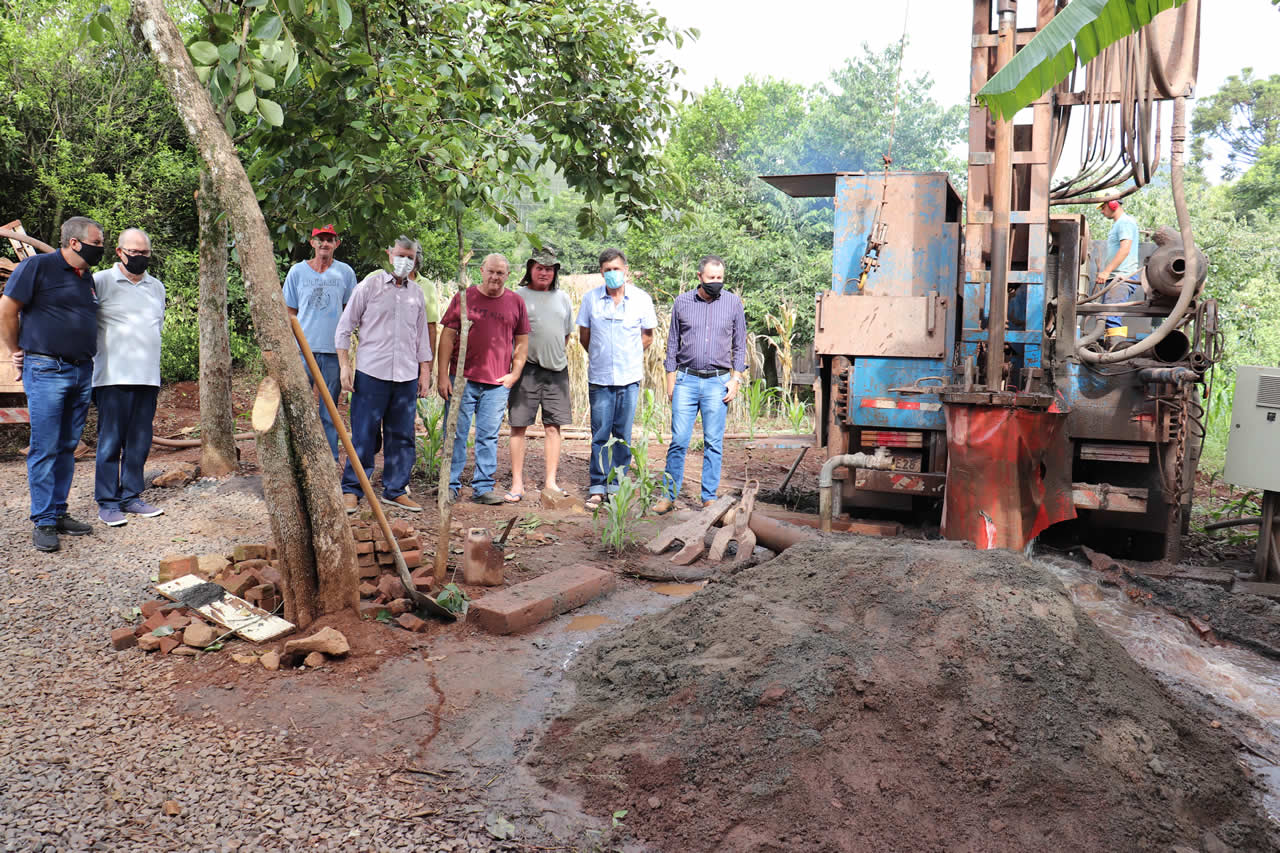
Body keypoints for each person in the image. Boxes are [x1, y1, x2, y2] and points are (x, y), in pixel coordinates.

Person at [0, 216, 104, 551]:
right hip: (46, 370)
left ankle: (59, 512)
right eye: (97, 243)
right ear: (74, 242)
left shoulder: (85, 277)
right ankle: (43, 520)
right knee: (45, 447)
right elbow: (7, 310)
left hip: (81, 371)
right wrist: (16, 351)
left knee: (67, 446)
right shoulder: (37, 267)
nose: (100, 248)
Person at [335, 237, 433, 513]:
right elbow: (344, 328)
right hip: (371, 373)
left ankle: (395, 489)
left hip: (405, 376)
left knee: (402, 436)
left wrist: (425, 372)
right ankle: (353, 489)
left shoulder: (417, 293)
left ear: (415, 260)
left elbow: (421, 337)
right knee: (364, 434)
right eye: (401, 255)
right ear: (389, 254)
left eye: (410, 257)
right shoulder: (370, 286)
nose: (405, 261)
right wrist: (345, 365)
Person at [653, 255, 747, 514]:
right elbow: (672, 345)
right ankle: (668, 496)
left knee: (713, 442)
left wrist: (735, 379)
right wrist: (671, 381)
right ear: (700, 277)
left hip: (718, 381)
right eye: (711, 278)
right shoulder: (682, 302)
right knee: (680, 440)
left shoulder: (732, 303)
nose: (716, 282)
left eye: (720, 278)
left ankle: (709, 497)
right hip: (686, 380)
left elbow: (740, 345)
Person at [437, 253, 529, 505]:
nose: (495, 277)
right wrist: (443, 375)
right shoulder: (464, 299)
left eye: (500, 273)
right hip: (462, 379)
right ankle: (450, 485)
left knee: (488, 435)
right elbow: (447, 336)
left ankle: (483, 486)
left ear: (507, 276)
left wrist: (514, 374)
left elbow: (521, 341)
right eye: (491, 271)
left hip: (497, 383)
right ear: (481, 270)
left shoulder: (515, 302)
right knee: (455, 432)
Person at [92, 228, 167, 527]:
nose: (139, 257)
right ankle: (108, 502)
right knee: (110, 441)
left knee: (139, 441)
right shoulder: (100, 282)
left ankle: (131, 495)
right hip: (112, 376)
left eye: (144, 253)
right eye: (133, 252)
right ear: (120, 252)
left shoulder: (156, 287)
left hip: (147, 377)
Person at [575, 248, 657, 507]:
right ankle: (597, 486)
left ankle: (617, 485)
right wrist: (601, 355)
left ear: (626, 270)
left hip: (629, 377)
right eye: (607, 270)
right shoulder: (590, 299)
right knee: (600, 433)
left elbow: (647, 336)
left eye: (616, 269)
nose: (612, 274)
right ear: (601, 272)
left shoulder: (642, 299)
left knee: (622, 434)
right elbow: (584, 336)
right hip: (599, 378)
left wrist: (628, 355)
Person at [283, 224, 358, 460]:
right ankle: (299, 458)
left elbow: (351, 313)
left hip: (333, 352)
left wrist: (348, 354)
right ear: (312, 242)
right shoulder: (297, 272)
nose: (324, 244)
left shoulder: (345, 273)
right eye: (320, 239)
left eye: (329, 239)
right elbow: (289, 312)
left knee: (330, 409)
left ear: (337, 243)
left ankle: (329, 459)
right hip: (302, 351)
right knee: (299, 406)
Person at [507, 247, 574, 503]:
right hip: (525, 371)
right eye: (539, 268)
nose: (544, 272)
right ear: (530, 270)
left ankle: (550, 482)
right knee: (518, 426)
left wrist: (551, 354)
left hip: (556, 370)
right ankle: (516, 484)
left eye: (549, 268)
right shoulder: (518, 296)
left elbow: (565, 334)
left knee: (553, 427)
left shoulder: (563, 298)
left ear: (555, 271)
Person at [1095, 199, 1141, 349]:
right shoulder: (1118, 224)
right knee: (1107, 317)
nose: (1102, 211)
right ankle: (1111, 351)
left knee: (1111, 316)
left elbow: (1125, 249)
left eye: (1102, 207)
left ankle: (1115, 355)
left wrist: (1107, 271)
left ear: (1113, 204)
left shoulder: (1125, 222)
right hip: (1116, 278)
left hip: (1121, 277)